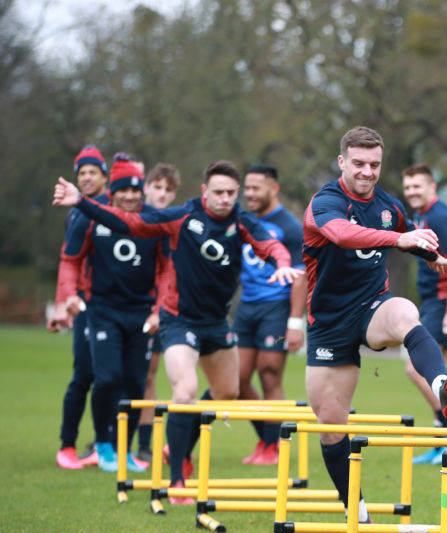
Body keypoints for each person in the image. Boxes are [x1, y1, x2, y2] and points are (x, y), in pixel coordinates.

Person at [52, 160, 301, 503]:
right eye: (219, 192)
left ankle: (181, 448)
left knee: (227, 391)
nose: (225, 199)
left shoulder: (241, 221)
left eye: (231, 192)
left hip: (216, 323)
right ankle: (177, 480)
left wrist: (283, 266)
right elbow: (130, 221)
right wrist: (82, 201)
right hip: (178, 320)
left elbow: (270, 245)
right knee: (184, 392)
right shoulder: (181, 216)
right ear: (204, 191)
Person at [303, 126, 447, 530]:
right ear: (342, 162)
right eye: (358, 164)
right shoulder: (325, 202)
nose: (367, 172)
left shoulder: (389, 205)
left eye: (374, 164)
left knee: (406, 313)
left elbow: (409, 235)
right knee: (330, 423)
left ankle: (442, 387)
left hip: (372, 306)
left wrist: (431, 255)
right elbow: (341, 234)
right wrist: (399, 240)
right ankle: (355, 510)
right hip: (327, 322)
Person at [51, 155, 159, 473]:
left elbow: (169, 267)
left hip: (141, 313)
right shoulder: (90, 216)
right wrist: (68, 296)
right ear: (112, 190)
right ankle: (101, 444)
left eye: (134, 191)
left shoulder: (154, 220)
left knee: (136, 383)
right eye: (122, 190)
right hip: (102, 309)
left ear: (142, 191)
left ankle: (124, 449)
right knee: (105, 377)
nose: (128, 196)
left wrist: (158, 308)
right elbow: (70, 258)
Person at [235, 164, 307, 466]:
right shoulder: (243, 221)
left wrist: (294, 321)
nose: (249, 194)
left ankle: (274, 446)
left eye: (256, 188)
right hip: (246, 307)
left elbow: (301, 276)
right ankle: (267, 438)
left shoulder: (289, 227)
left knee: (269, 374)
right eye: (247, 188)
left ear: (273, 189)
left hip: (277, 306)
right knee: (236, 381)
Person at [401, 164, 447, 465]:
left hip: (444, 303)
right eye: (408, 187)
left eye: (418, 186)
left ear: (432, 187)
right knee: (432, 373)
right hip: (432, 302)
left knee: (416, 368)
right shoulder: (422, 215)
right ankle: (443, 439)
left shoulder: (440, 216)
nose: (412, 192)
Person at [48, 145, 108, 470]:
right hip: (86, 303)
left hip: (114, 303)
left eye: (92, 172)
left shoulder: (114, 205)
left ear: (104, 175)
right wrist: (62, 303)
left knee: (110, 377)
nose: (86, 177)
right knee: (83, 374)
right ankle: (67, 446)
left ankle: (106, 444)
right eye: (81, 173)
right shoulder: (77, 212)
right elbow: (68, 259)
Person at [133, 162, 181, 462]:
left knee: (147, 377)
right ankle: (109, 440)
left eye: (168, 189)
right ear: (146, 187)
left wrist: (158, 309)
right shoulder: (132, 218)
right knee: (114, 376)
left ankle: (143, 445)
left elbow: (170, 271)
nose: (162, 194)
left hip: (156, 309)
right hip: (122, 306)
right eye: (157, 187)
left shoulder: (171, 225)